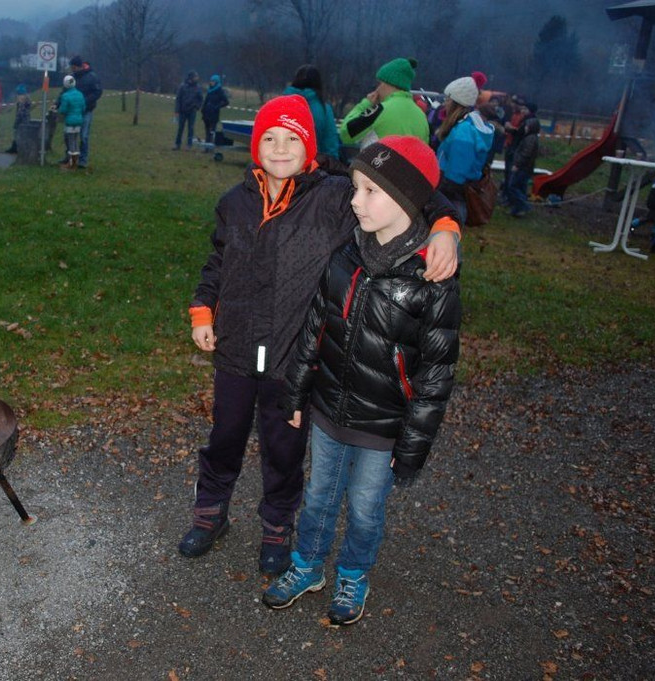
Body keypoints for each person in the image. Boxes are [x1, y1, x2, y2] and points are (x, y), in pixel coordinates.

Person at [179, 95, 462, 577]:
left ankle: (277, 525)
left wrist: (446, 227)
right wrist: (203, 310)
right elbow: (217, 261)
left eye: (292, 138)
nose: (279, 148)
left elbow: (409, 189)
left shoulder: (334, 199)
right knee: (224, 435)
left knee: (283, 447)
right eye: (269, 137)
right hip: (236, 347)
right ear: (255, 144)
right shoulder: (234, 203)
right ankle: (210, 511)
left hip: (290, 353)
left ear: (309, 146)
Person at [262, 135, 461, 626]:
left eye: (371, 191)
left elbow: (436, 373)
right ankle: (308, 565)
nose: (356, 201)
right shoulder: (346, 254)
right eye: (355, 188)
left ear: (407, 200)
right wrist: (297, 391)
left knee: (367, 507)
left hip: (383, 425)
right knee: (319, 496)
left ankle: (353, 573)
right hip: (330, 410)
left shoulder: (432, 279)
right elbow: (316, 325)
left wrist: (413, 444)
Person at [433, 76, 495, 224]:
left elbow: (457, 172)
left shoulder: (463, 131)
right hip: (455, 193)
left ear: (457, 102)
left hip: (452, 196)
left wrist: (439, 192)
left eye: (448, 99)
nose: (445, 103)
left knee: (447, 231)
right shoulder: (465, 126)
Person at [339, 57, 429, 150]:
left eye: (379, 84)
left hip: (379, 159)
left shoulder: (380, 109)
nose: (377, 89)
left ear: (387, 83)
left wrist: (365, 104)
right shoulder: (421, 116)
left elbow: (346, 134)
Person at [284, 64, 342, 164]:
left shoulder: (280, 104)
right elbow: (330, 141)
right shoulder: (324, 109)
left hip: (282, 161)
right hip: (313, 164)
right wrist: (332, 163)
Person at [504, 102, 540, 217]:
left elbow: (525, 154)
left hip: (523, 167)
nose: (524, 127)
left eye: (526, 126)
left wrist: (517, 164)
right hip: (524, 166)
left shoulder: (530, 139)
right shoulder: (529, 137)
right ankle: (518, 208)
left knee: (514, 186)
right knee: (519, 186)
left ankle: (523, 205)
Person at [68, 55, 102, 168]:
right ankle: (69, 157)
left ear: (79, 66)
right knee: (70, 135)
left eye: (73, 67)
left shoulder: (92, 77)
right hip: (73, 111)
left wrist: (84, 102)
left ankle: (83, 160)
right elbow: (65, 91)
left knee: (84, 136)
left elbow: (97, 92)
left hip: (87, 110)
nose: (72, 69)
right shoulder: (72, 77)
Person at [500, 94, 528, 196]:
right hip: (509, 144)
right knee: (507, 171)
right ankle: (506, 193)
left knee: (512, 172)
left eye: (516, 103)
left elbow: (521, 131)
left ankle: (510, 195)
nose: (514, 105)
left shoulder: (523, 117)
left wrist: (512, 128)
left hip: (516, 146)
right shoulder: (512, 114)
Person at [56, 75, 87, 169]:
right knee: (76, 141)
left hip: (70, 121)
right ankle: (76, 162)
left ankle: (71, 164)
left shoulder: (65, 96)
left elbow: (63, 110)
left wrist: (58, 110)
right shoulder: (80, 94)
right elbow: (83, 108)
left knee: (70, 142)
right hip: (79, 121)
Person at [174, 71, 203, 150]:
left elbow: (201, 99)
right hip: (183, 111)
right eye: (195, 77)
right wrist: (177, 110)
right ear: (191, 78)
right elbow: (178, 99)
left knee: (191, 128)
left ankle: (189, 145)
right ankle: (177, 144)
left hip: (192, 111)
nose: (197, 78)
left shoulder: (198, 87)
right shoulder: (182, 86)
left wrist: (197, 107)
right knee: (180, 128)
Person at [201, 74, 230, 147]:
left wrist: (217, 107)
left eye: (213, 81)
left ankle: (211, 146)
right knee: (207, 130)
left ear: (216, 82)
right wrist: (203, 109)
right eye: (211, 81)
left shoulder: (220, 91)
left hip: (214, 114)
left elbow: (226, 102)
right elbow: (206, 100)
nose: (211, 82)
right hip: (206, 113)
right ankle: (206, 147)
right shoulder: (209, 90)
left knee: (212, 131)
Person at [4, 84, 33, 155]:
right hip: (24, 120)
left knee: (20, 135)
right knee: (18, 134)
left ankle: (18, 148)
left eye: (18, 95)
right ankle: (15, 147)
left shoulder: (23, 102)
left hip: (22, 121)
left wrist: (17, 122)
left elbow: (21, 113)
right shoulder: (24, 101)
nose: (17, 97)